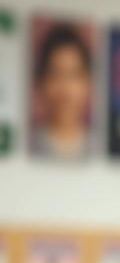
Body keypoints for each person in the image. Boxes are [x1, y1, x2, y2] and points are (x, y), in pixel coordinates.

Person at [30, 20, 93, 160]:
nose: (65, 88)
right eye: (56, 74)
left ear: (88, 83)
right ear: (41, 82)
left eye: (74, 74)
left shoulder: (96, 145)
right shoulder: (30, 143)